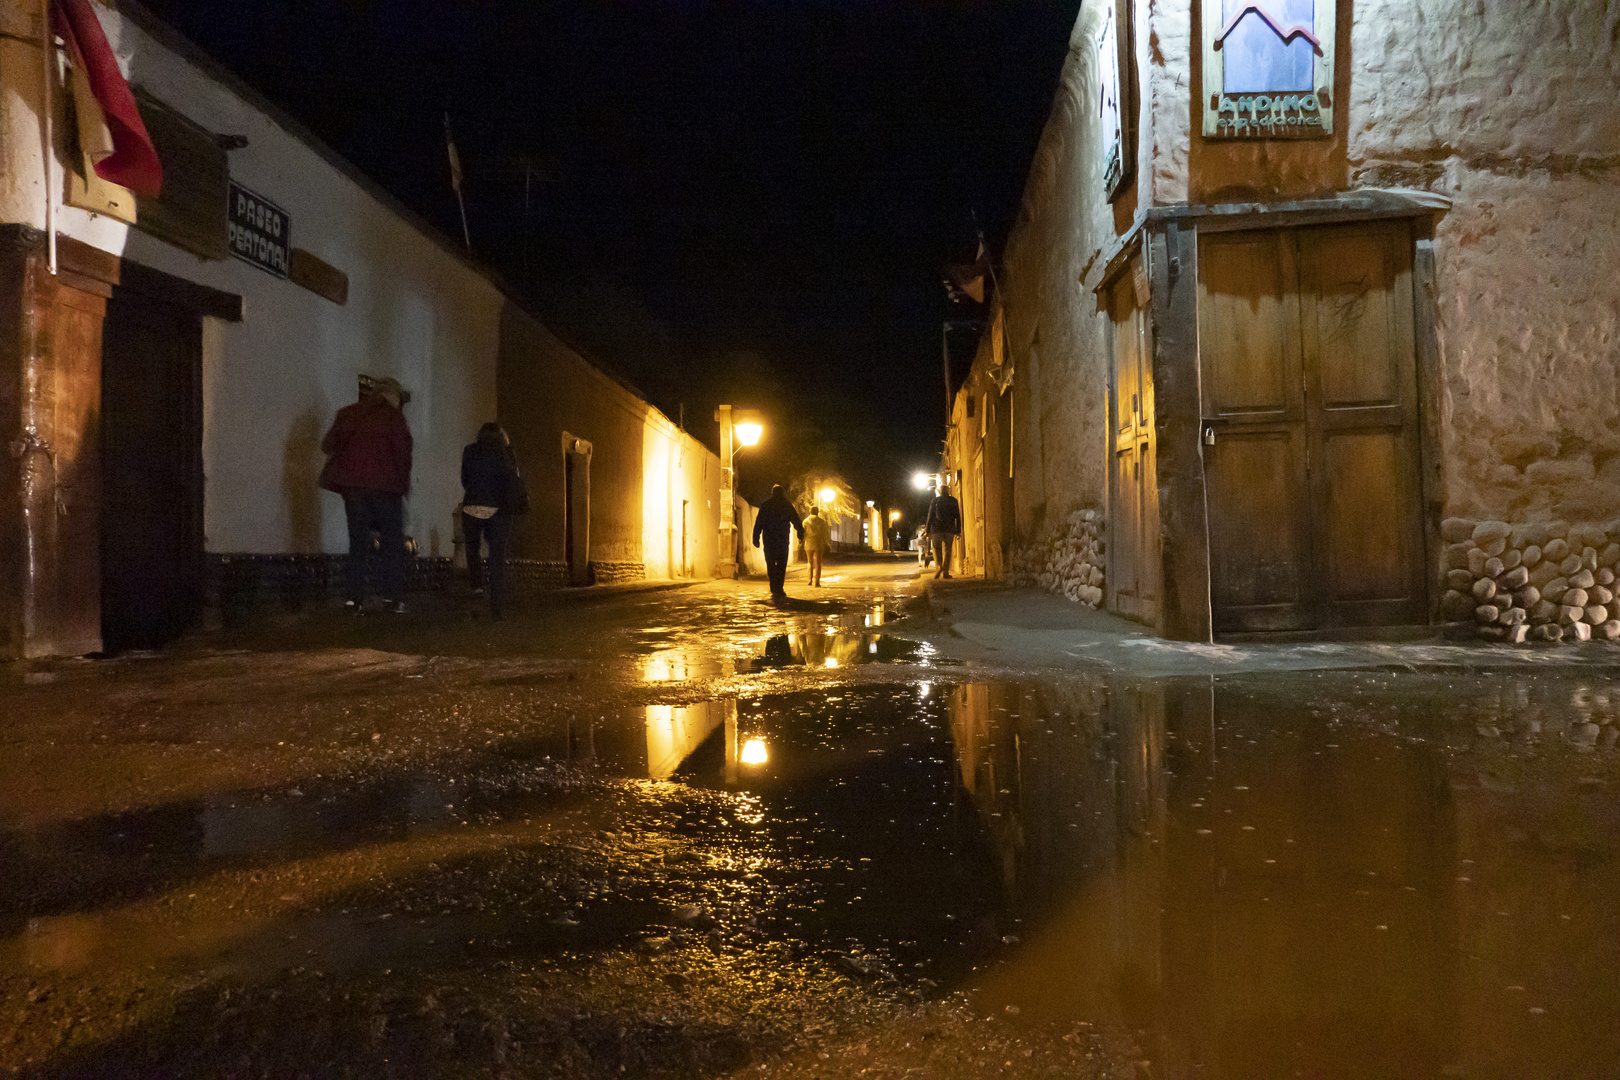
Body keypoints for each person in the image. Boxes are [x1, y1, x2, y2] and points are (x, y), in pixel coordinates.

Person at [320, 375, 412, 613]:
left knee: (358, 544)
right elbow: (403, 454)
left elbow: (327, 444)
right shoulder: (394, 418)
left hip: (355, 491)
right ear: (393, 397)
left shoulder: (348, 413)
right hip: (387, 490)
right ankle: (391, 598)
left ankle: (353, 600)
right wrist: (404, 486)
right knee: (391, 545)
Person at [460, 422, 525, 620]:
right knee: (497, 558)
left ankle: (477, 588)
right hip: (499, 510)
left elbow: (465, 479)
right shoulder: (506, 452)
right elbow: (513, 481)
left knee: (473, 551)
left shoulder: (470, 451)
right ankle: (496, 607)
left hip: (472, 506)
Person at [752, 484, 805, 603]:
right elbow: (796, 519)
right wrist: (800, 533)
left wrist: (756, 538)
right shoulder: (786, 505)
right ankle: (779, 587)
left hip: (769, 539)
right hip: (782, 540)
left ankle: (773, 586)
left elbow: (758, 523)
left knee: (770, 563)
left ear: (772, 493)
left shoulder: (766, 505)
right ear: (782, 493)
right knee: (781, 564)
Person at [925, 482, 962, 580]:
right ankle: (945, 572)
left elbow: (930, 516)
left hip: (937, 529)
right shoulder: (953, 501)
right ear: (948, 491)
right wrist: (958, 531)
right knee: (948, 550)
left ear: (940, 491)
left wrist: (927, 530)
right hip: (949, 529)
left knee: (936, 549)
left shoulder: (935, 500)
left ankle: (939, 566)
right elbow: (957, 517)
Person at [803, 505, 831, 586]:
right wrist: (828, 542)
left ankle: (810, 580)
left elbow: (803, 533)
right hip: (819, 543)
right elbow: (825, 534)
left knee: (810, 562)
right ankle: (817, 582)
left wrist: (800, 542)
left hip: (809, 543)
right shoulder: (821, 522)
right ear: (817, 512)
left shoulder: (805, 521)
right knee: (818, 562)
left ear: (810, 512)